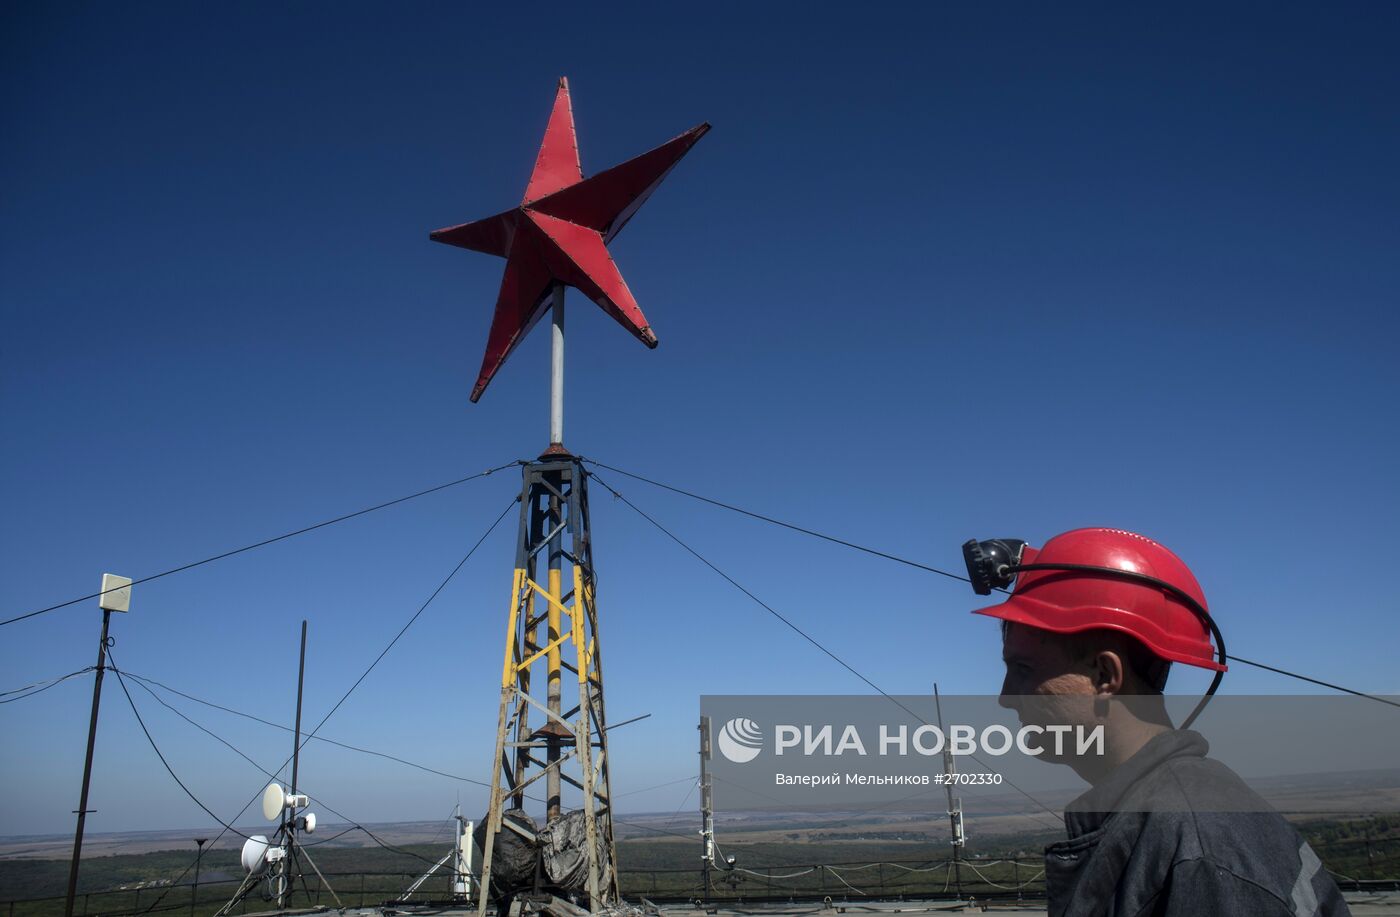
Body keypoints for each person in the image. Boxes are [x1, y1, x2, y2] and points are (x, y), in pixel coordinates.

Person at [967, 527, 1350, 917]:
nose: (1004, 697)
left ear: (1104, 675)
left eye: (1023, 668)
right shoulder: (1170, 825)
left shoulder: (1198, 852)